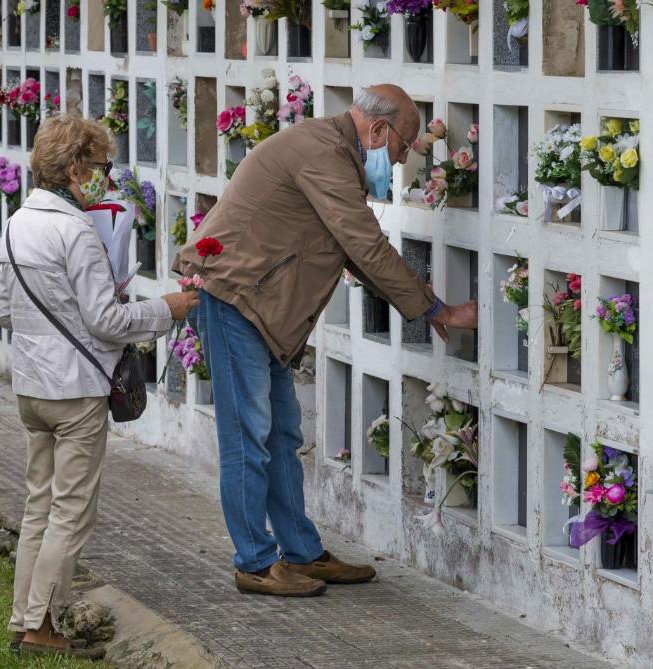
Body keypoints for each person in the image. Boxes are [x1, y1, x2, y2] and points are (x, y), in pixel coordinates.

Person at [173, 84, 478, 597]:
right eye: (402, 148)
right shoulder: (322, 153)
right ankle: (254, 562)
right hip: (236, 303)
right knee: (248, 440)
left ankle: (302, 553)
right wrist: (436, 309)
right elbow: (363, 240)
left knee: (282, 438)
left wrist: (418, 300)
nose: (400, 162)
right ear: (378, 130)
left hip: (262, 310)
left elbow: (348, 248)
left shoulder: (329, 150)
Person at [0, 114, 199, 657]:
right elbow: (106, 321)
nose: (106, 177)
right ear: (78, 168)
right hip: (76, 391)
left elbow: (2, 309)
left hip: (30, 387)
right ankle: (42, 628)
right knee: (71, 511)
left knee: (39, 504)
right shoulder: (76, 231)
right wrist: (165, 309)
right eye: (102, 166)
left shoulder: (17, 222)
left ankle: (25, 618)